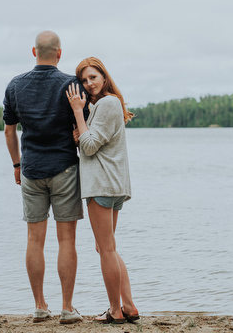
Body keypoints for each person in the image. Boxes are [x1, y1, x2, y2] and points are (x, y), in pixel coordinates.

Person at [3, 31, 86, 325]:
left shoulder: (15, 85)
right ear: (59, 53)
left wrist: (17, 164)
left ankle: (39, 306)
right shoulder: (70, 85)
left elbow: (10, 131)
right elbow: (81, 130)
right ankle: (66, 307)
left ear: (34, 51)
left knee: (34, 240)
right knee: (67, 240)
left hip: (32, 170)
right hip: (64, 167)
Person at [66, 57, 140, 324]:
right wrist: (81, 132)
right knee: (105, 247)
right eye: (84, 80)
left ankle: (115, 310)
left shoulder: (108, 103)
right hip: (111, 183)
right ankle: (129, 306)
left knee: (106, 249)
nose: (89, 84)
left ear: (104, 78)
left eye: (93, 78)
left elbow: (88, 147)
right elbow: (90, 141)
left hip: (103, 184)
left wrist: (77, 113)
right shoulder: (101, 106)